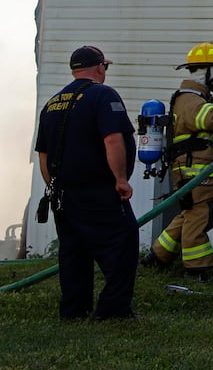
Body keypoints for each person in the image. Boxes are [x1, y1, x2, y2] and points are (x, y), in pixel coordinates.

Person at [33, 45, 139, 320]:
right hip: (98, 191)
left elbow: (43, 153)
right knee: (123, 241)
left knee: (74, 252)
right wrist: (120, 180)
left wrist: (53, 184)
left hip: (64, 194)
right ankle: (113, 310)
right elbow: (113, 139)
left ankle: (73, 310)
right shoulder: (103, 95)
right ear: (100, 67)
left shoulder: (52, 103)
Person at [140, 42, 213, 278]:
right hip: (193, 173)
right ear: (206, 71)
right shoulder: (190, 100)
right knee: (199, 218)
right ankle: (198, 267)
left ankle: (159, 255)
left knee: (190, 215)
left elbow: (202, 142)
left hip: (195, 170)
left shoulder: (195, 97)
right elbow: (209, 121)